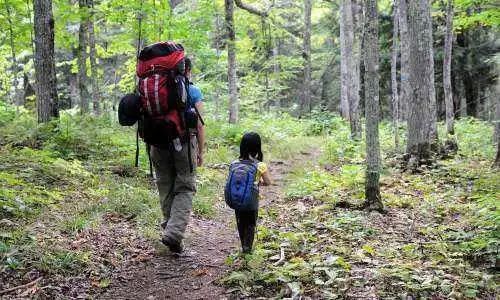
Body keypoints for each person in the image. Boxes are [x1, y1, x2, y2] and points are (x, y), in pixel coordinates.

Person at [150, 57, 205, 253]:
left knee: (165, 186)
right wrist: (200, 150)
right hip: (183, 143)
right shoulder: (191, 90)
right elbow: (198, 124)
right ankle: (174, 234)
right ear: (186, 70)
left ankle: (171, 233)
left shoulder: (153, 88)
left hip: (156, 143)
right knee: (185, 186)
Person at [234, 132, 272, 253]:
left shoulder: (235, 163)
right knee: (250, 223)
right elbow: (268, 182)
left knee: (241, 222)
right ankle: (247, 248)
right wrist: (258, 182)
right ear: (257, 147)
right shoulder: (260, 165)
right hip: (251, 200)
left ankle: (243, 244)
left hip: (237, 198)